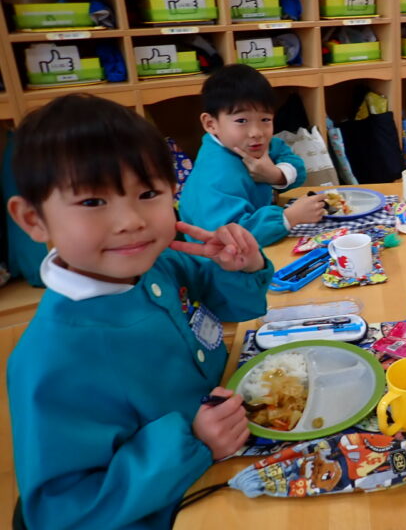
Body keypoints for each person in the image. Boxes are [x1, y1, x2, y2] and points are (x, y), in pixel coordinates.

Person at [6, 94, 274, 530]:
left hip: (227, 456)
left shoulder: (158, 263)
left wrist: (242, 266)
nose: (131, 221)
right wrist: (192, 442)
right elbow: (60, 513)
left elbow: (237, 308)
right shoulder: (49, 359)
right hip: (173, 507)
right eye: (93, 201)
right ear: (33, 219)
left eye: (148, 193)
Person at [179, 64, 326, 247]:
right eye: (241, 120)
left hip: (259, 240)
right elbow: (230, 240)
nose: (256, 132)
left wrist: (275, 175)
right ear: (211, 124)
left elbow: (295, 164)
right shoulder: (215, 175)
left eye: (265, 119)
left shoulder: (254, 144)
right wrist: (288, 218)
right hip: (218, 259)